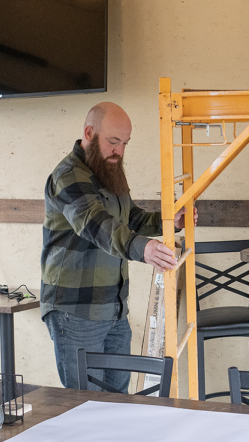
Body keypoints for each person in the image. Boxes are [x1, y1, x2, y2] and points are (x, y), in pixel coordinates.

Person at [41, 102, 187, 393]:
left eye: (125, 143)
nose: (119, 151)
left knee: (118, 401)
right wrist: (143, 249)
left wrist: (171, 222)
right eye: (113, 141)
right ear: (89, 132)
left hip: (115, 309)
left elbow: (130, 217)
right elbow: (98, 225)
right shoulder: (68, 176)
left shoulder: (108, 169)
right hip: (76, 312)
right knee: (86, 406)